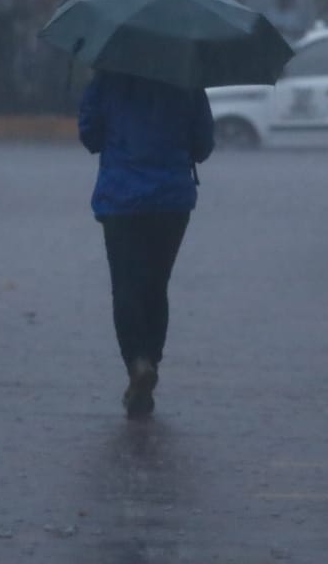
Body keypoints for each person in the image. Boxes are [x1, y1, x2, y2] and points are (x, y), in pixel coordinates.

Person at [77, 70, 215, 419]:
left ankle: (137, 363)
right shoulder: (186, 78)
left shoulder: (109, 79)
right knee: (156, 286)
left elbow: (90, 135)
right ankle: (151, 361)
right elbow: (203, 145)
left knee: (126, 286)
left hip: (121, 199)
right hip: (171, 200)